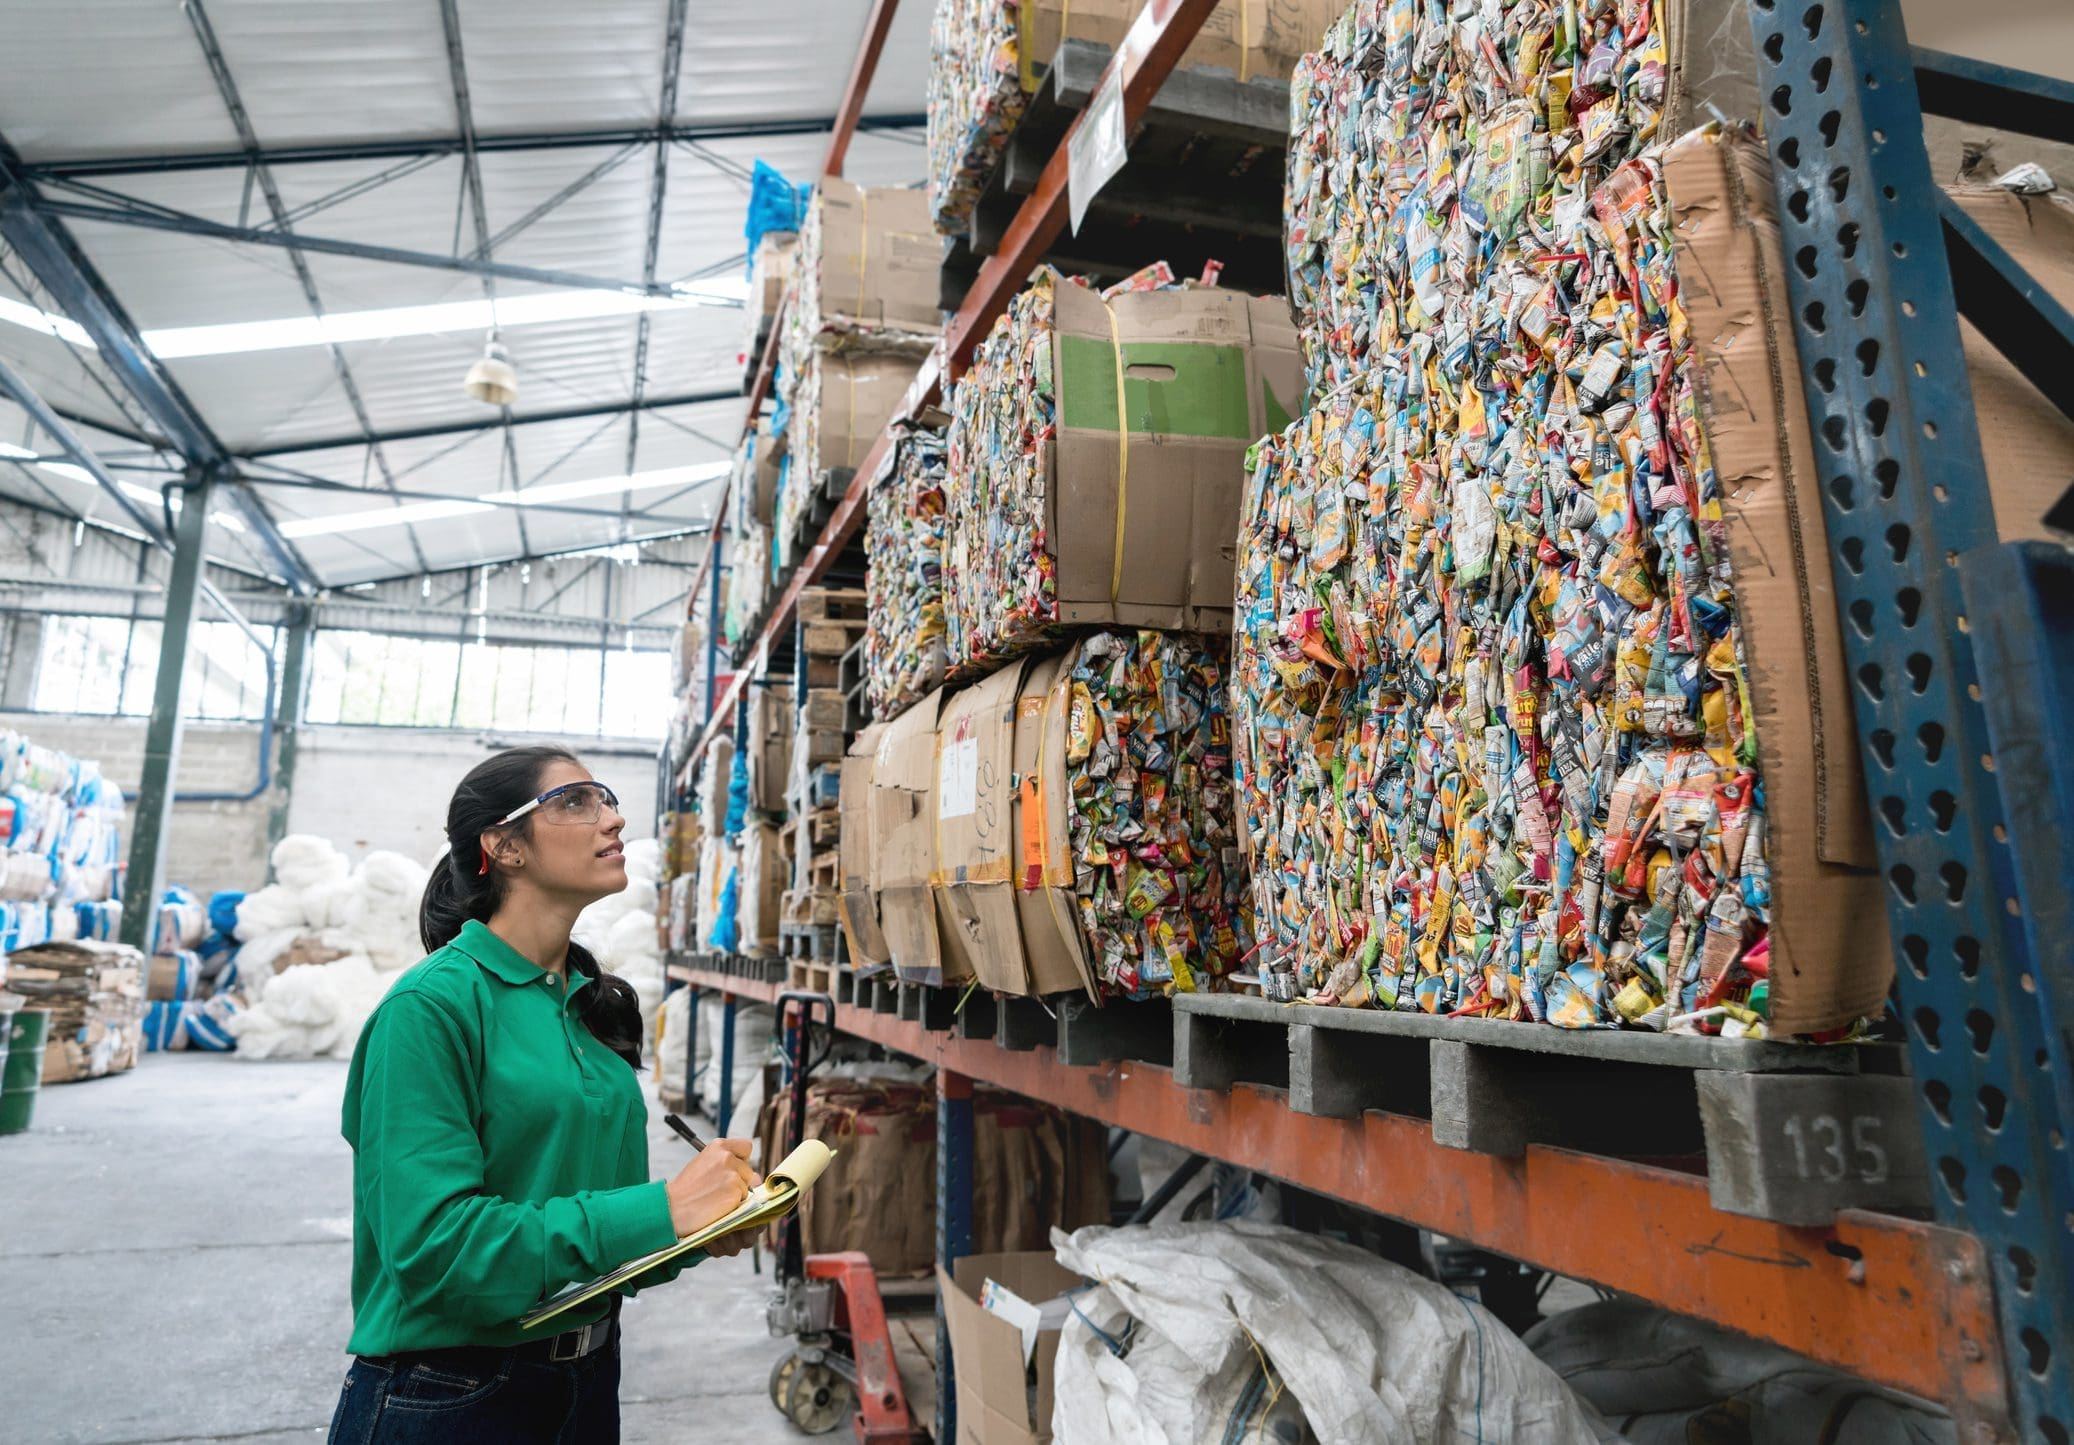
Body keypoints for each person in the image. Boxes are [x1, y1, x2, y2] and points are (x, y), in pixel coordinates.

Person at [328, 746, 758, 1444]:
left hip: (585, 1380)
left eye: (609, 798)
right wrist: (662, 1207)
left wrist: (694, 1230)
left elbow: (591, 1237)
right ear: (504, 846)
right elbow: (436, 1252)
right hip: (451, 1394)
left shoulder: (586, 1006)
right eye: (576, 800)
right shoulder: (431, 1008)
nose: (613, 817)